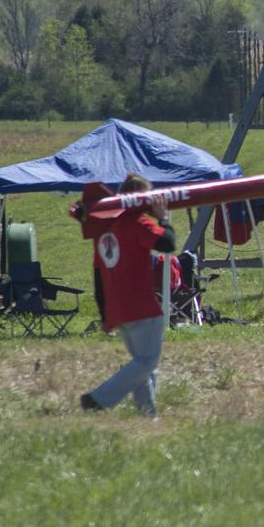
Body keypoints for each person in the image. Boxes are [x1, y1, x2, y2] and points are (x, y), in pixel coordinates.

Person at [75, 174, 175, 417]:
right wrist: (164, 219)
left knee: (140, 365)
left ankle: (147, 416)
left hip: (119, 309)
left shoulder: (105, 231)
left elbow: (98, 276)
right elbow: (167, 244)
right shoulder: (138, 223)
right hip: (142, 306)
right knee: (147, 363)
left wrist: (105, 316)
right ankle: (98, 398)